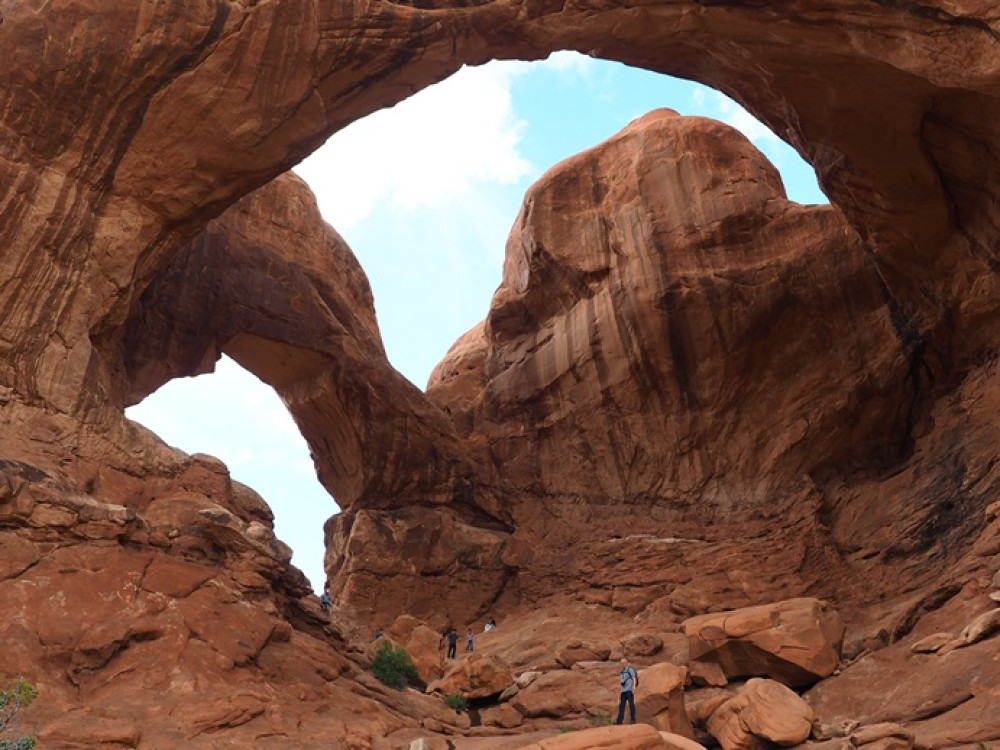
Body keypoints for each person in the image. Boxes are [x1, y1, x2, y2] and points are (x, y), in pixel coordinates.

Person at [615, 657, 639, 725]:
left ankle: (633, 719)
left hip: (629, 690)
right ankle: (619, 720)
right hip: (623, 691)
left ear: (626, 662)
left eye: (624, 662)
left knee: (631, 704)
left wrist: (633, 688)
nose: (623, 664)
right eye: (621, 663)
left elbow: (634, 678)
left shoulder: (630, 670)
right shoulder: (621, 671)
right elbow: (621, 680)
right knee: (621, 705)